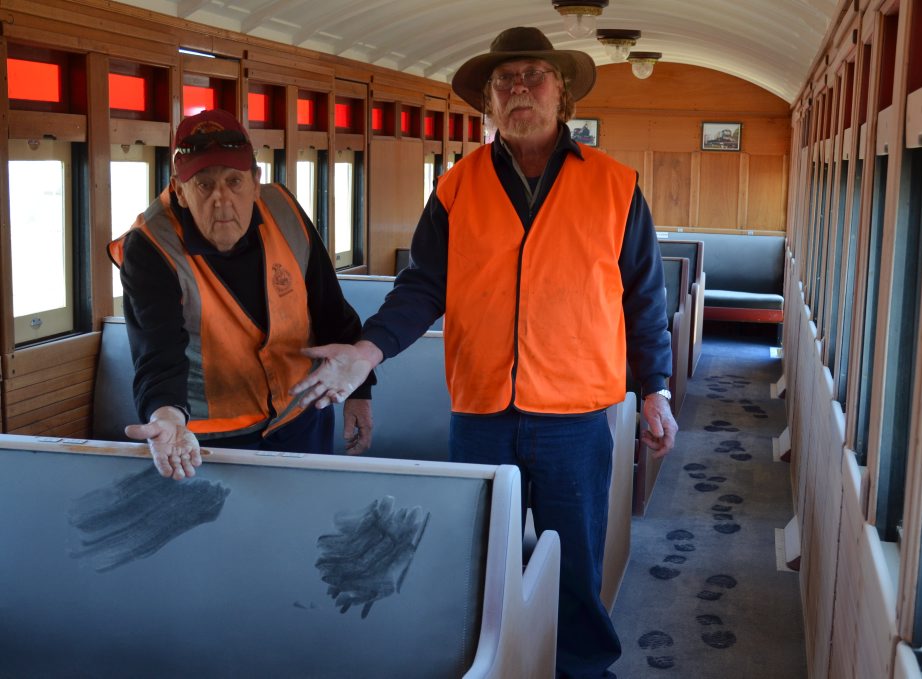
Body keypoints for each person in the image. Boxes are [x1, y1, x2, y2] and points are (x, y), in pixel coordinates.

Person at [290, 27, 677, 678]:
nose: (519, 90)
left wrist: (656, 389)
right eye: (505, 81)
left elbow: (644, 297)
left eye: (534, 75)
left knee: (575, 569)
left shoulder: (616, 186)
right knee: (479, 565)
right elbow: (421, 288)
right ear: (488, 103)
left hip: (576, 417)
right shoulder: (456, 187)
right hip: (481, 412)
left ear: (564, 95)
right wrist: (366, 352)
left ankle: (583, 670)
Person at [109, 108, 374, 482]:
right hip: (208, 437)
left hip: (302, 411)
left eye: (234, 181)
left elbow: (329, 306)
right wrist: (165, 414)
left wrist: (360, 391)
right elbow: (157, 352)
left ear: (255, 180)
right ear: (180, 190)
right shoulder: (151, 246)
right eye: (204, 185)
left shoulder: (285, 212)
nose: (222, 199)